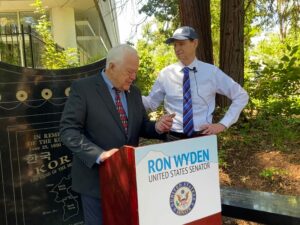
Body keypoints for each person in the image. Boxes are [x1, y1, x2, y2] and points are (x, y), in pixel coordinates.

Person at [59, 44, 173, 225]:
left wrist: (158, 127)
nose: (133, 77)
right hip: (95, 183)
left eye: (135, 72)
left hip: (128, 181)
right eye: (129, 72)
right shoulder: (84, 88)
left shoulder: (134, 93)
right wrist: (99, 154)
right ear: (111, 66)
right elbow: (68, 131)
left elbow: (141, 126)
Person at [142, 26, 249, 141]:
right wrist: (129, 94)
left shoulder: (211, 72)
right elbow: (151, 102)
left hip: (203, 137)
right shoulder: (166, 74)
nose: (177, 48)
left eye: (181, 43)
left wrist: (223, 124)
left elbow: (241, 95)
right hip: (173, 137)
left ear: (195, 43)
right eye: (175, 45)